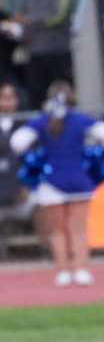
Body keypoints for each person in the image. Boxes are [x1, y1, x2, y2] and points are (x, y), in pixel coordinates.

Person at [11, 81, 104, 286]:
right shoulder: (79, 120)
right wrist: (94, 156)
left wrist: (35, 158)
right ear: (71, 99)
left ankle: (63, 271)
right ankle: (82, 269)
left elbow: (17, 143)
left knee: (57, 230)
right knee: (79, 229)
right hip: (79, 179)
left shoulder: (42, 121)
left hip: (51, 181)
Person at [12, 0, 75, 109]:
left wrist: (30, 21)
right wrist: (20, 30)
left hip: (59, 51)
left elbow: (58, 16)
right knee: (35, 94)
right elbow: (21, 16)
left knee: (60, 91)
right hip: (35, 53)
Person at [0, 83, 34, 241]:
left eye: (10, 98)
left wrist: (28, 186)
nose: (6, 102)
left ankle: (47, 251)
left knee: (44, 204)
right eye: (2, 98)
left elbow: (36, 159)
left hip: (22, 192)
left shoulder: (26, 125)